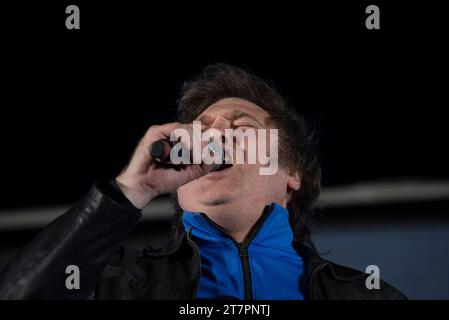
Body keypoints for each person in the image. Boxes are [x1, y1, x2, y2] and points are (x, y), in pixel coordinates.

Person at [0, 64, 406, 300]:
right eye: (202, 129)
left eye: (241, 127)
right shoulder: (116, 282)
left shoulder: (365, 295)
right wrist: (130, 190)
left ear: (292, 174)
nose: (214, 136)